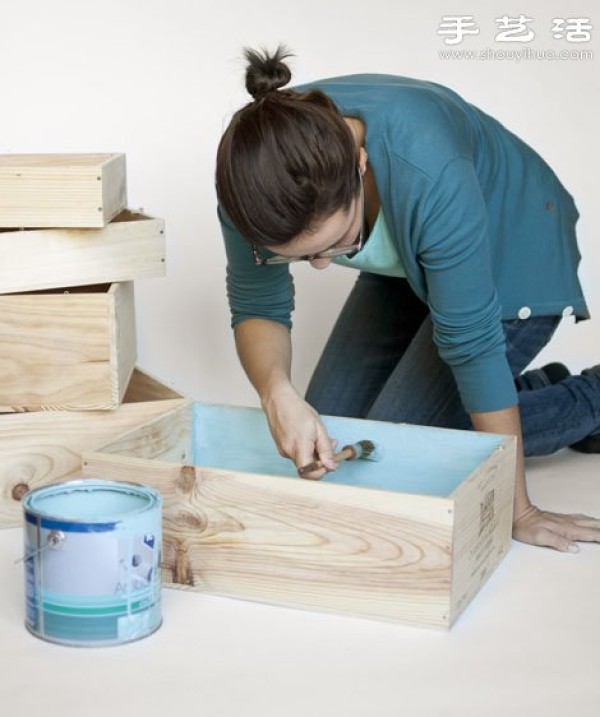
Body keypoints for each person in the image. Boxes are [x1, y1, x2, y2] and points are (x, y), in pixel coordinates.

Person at [215, 46, 600, 552]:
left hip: (515, 253)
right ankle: (529, 389)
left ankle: (589, 398)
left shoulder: (425, 163)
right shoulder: (253, 185)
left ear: (360, 163)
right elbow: (258, 308)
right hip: (413, 261)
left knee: (397, 449)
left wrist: (517, 509)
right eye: (303, 258)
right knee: (334, 432)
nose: (328, 264)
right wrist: (277, 393)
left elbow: (472, 348)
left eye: (340, 243)